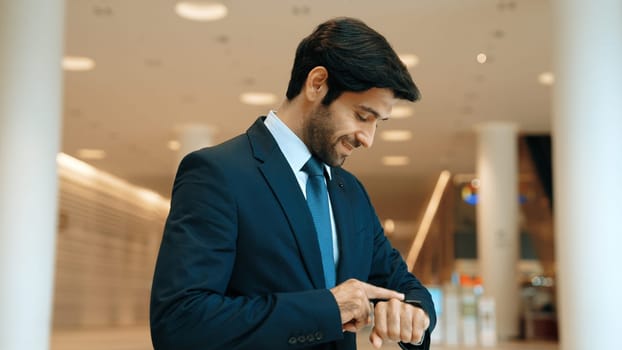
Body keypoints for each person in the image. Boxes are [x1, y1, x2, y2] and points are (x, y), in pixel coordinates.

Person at [150, 17, 436, 350]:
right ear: (317, 84)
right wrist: (327, 309)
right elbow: (180, 323)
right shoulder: (217, 173)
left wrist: (414, 312)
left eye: (378, 124)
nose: (368, 139)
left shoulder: (351, 192)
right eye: (361, 116)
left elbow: (404, 285)